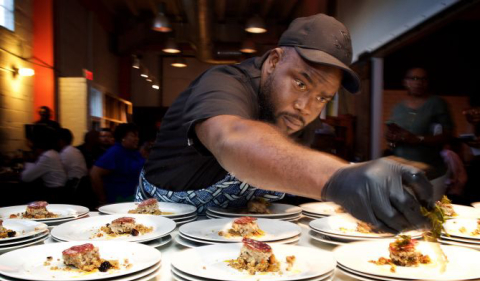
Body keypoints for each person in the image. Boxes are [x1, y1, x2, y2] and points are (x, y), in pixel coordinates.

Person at [138, 14, 433, 232]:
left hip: (234, 235)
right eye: (301, 84)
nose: (305, 108)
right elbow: (232, 137)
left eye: (322, 98)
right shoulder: (224, 82)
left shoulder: (293, 113)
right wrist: (340, 177)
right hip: (160, 226)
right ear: (274, 61)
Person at [385, 67, 453, 200]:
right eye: (414, 78)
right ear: (406, 82)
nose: (418, 82)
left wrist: (418, 139)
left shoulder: (437, 104)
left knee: (430, 215)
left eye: (423, 79)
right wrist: (390, 137)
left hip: (430, 173)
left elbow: (448, 135)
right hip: (402, 174)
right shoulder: (398, 108)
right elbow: (390, 133)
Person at [90, 123, 145, 205]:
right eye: (133, 136)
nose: (137, 139)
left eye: (137, 136)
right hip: (119, 199)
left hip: (134, 196)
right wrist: (102, 199)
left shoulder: (134, 152)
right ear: (123, 137)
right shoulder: (115, 152)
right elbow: (94, 174)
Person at [21, 126, 67, 202]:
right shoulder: (53, 153)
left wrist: (30, 152)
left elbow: (25, 178)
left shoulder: (48, 156)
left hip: (54, 196)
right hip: (59, 193)